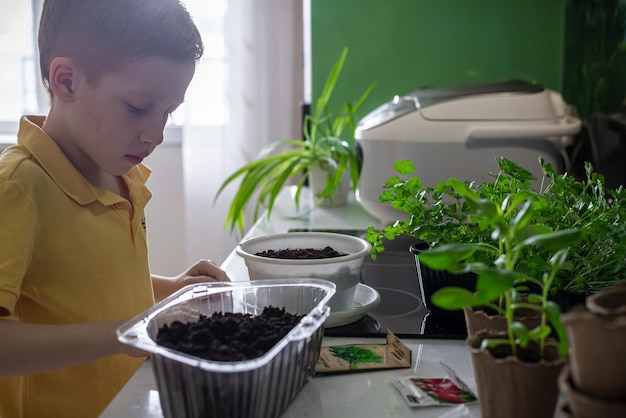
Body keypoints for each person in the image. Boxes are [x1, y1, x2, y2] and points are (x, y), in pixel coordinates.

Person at [0, 1, 230, 416]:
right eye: (138, 107)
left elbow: (85, 283)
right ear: (66, 80)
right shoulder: (18, 188)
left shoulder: (120, 175)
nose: (155, 133)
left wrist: (169, 290)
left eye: (168, 112)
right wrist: (127, 333)